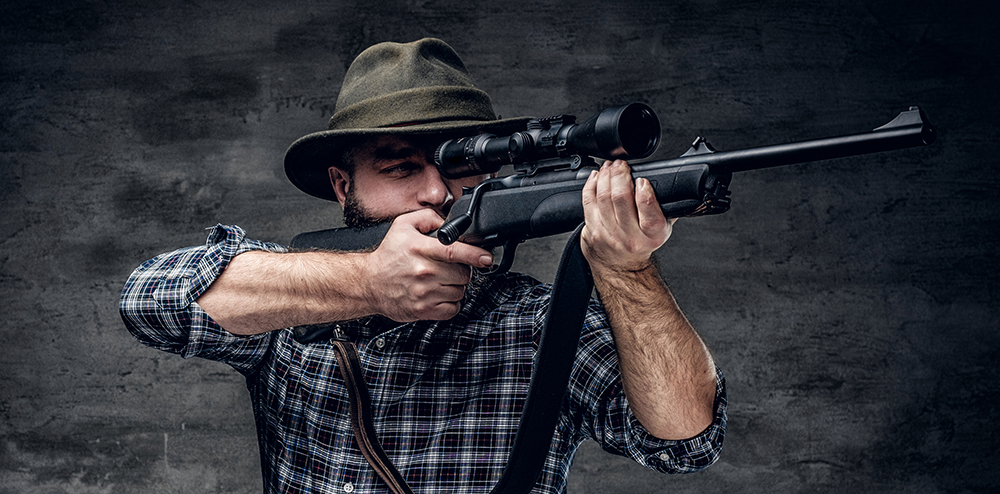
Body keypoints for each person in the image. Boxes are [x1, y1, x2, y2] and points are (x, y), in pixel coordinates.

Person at [120, 38, 726, 493]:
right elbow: (151, 302)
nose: (436, 193)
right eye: (400, 167)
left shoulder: (540, 322)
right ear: (341, 185)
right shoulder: (291, 297)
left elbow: (686, 443)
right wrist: (368, 282)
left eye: (457, 165)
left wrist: (627, 270)